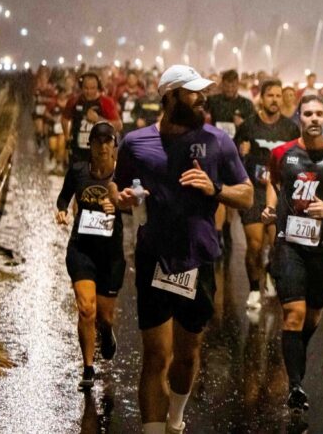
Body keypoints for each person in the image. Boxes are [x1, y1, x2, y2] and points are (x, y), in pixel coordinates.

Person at [111, 64, 253, 434]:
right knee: (156, 355)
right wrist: (124, 198)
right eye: (191, 91)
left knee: (186, 357)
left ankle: (175, 418)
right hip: (153, 257)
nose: (200, 97)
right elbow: (117, 190)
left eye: (200, 91)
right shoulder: (135, 142)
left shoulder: (217, 141)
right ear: (170, 95)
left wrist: (215, 189)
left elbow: (248, 195)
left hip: (198, 258)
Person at [262, 95, 323, 411]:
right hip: (288, 243)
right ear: (299, 118)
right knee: (294, 313)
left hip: (322, 246)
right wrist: (269, 206)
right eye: (308, 114)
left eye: (319, 113)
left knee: (312, 317)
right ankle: (295, 387)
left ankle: (295, 359)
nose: (315, 118)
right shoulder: (282, 153)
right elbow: (272, 181)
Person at [55, 122, 124, 390]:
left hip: (111, 254)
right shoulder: (78, 171)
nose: (103, 147)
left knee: (104, 317)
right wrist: (61, 210)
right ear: (90, 145)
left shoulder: (123, 175)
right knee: (86, 309)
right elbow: (63, 198)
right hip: (81, 249)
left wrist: (118, 204)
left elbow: (137, 207)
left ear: (115, 146)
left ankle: (106, 334)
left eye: (109, 142)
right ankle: (88, 368)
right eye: (98, 141)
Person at [234, 78, 300, 312]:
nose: (275, 100)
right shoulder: (249, 126)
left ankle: (270, 273)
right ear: (261, 99)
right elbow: (232, 155)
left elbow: (298, 159)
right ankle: (254, 289)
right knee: (254, 245)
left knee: (277, 246)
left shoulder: (291, 129)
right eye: (270, 95)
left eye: (278, 95)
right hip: (254, 193)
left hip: (280, 194)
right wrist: (242, 155)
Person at [63, 71, 121, 166]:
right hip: (78, 151)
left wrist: (98, 119)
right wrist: (66, 136)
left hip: (100, 152)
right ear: (81, 87)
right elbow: (65, 118)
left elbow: (118, 125)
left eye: (93, 88)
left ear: (98, 87)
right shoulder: (74, 101)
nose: (89, 91)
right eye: (86, 88)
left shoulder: (106, 102)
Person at [205, 69, 254, 139]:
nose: (229, 89)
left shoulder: (246, 104)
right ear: (222, 84)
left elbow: (254, 127)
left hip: (237, 143)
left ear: (238, 85)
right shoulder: (212, 101)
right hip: (216, 142)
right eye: (226, 86)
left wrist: (243, 124)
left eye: (233, 86)